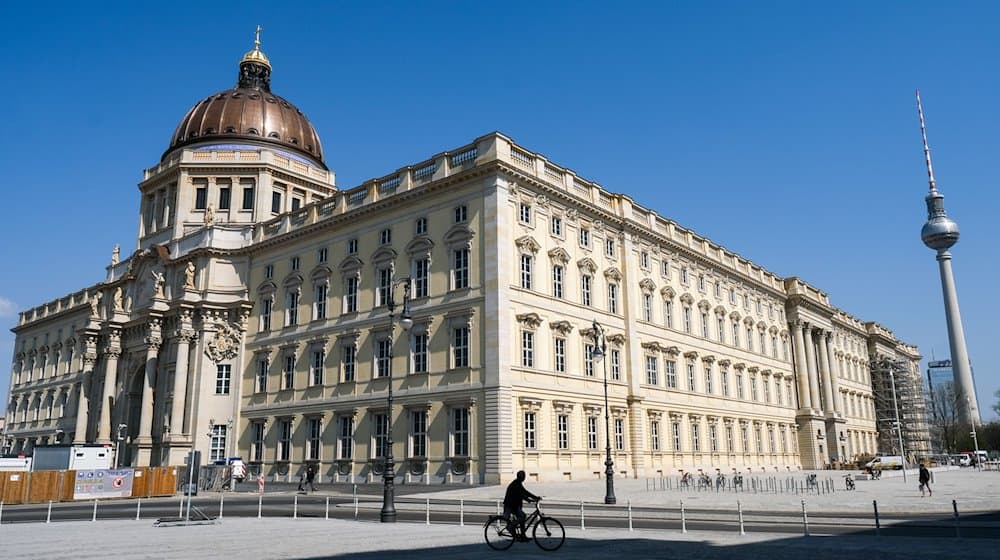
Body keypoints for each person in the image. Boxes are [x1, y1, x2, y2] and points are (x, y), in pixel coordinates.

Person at [503, 470, 540, 542]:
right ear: (521, 477)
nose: (524, 478)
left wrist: (535, 497)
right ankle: (510, 527)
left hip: (514, 505)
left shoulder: (518, 483)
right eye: (523, 476)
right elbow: (521, 494)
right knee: (522, 517)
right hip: (510, 506)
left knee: (522, 518)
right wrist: (529, 499)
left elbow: (525, 492)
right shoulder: (516, 484)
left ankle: (523, 536)